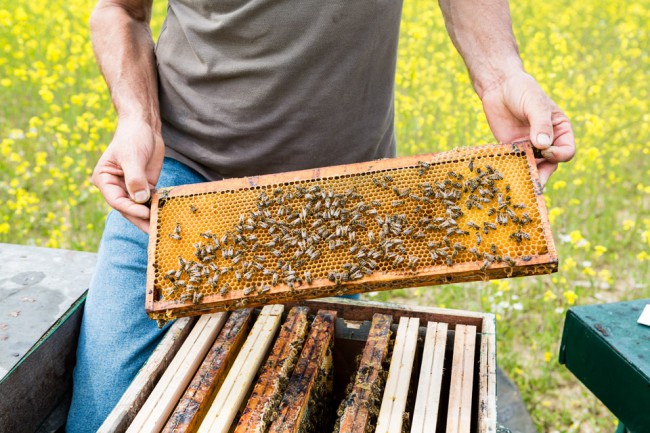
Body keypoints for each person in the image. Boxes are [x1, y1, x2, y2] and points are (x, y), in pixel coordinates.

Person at [66, 0, 575, 430]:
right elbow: (120, 9)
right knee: (106, 414)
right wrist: (138, 119)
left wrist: (501, 76)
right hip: (183, 193)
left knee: (303, 397)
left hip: (337, 211)